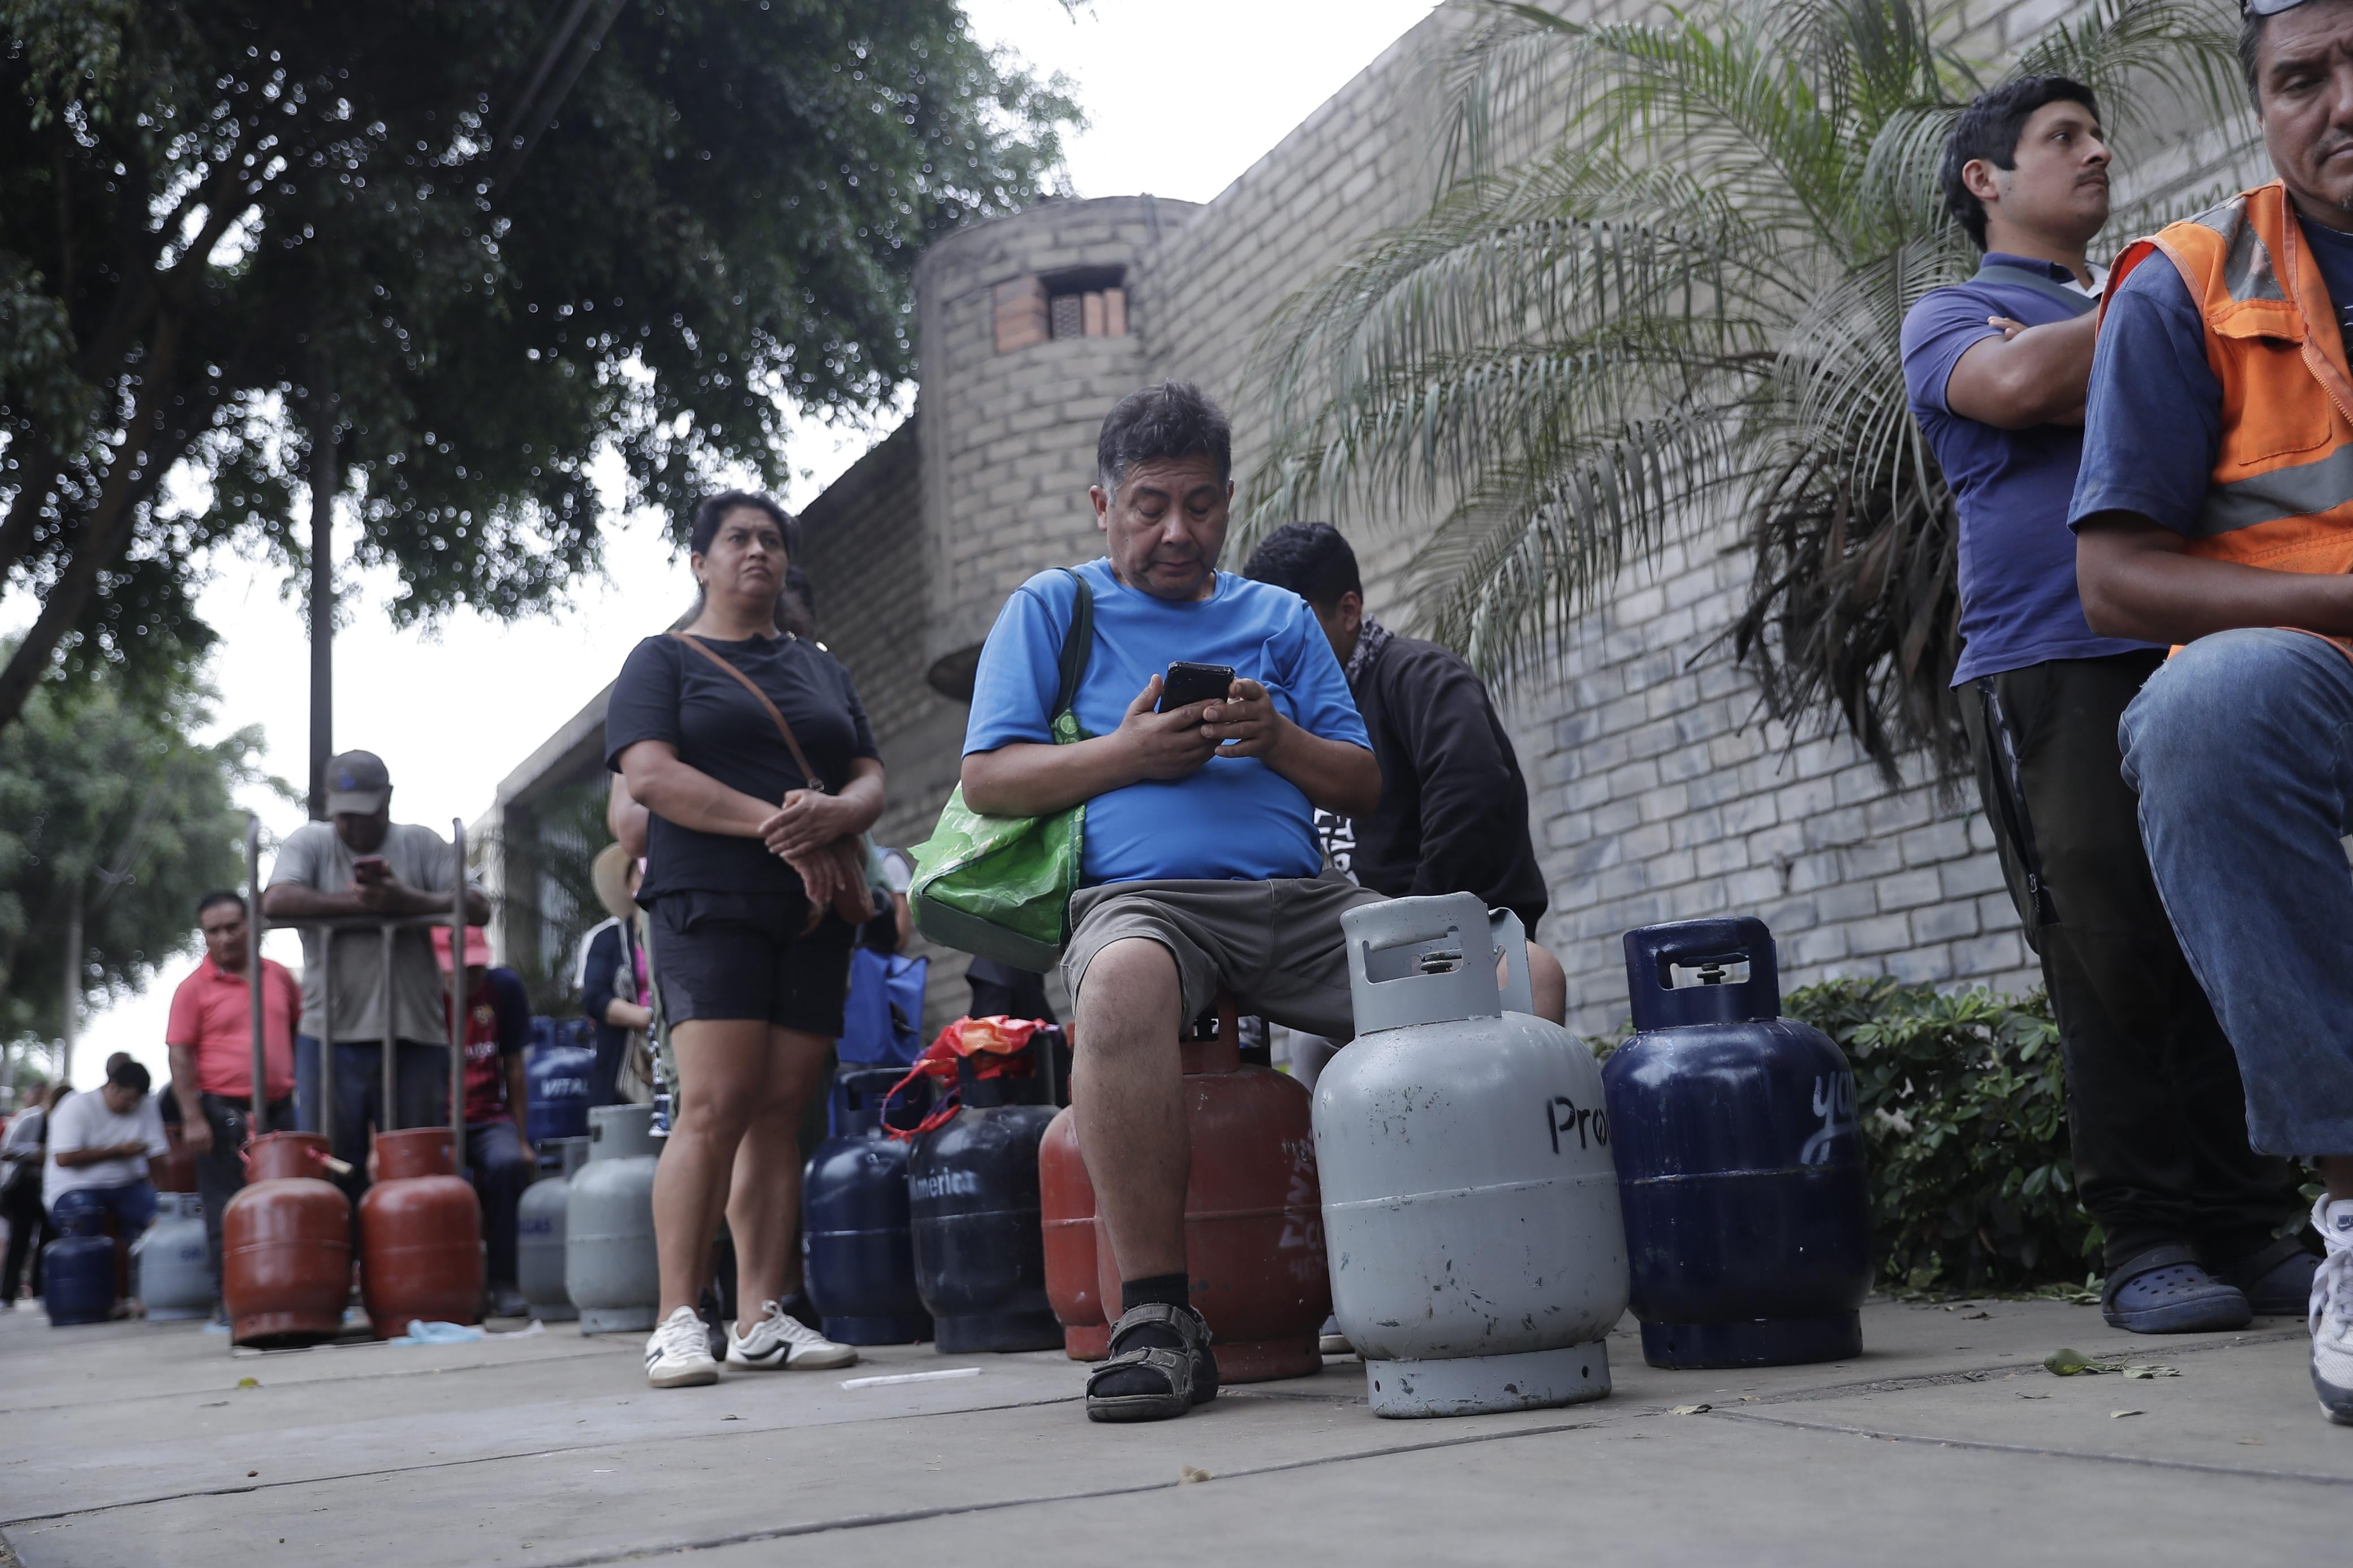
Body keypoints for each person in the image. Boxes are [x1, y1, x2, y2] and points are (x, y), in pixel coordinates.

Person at [962, 381, 1566, 1424]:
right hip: (1144, 904)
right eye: (1150, 505)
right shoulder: (1053, 608)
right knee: (1118, 987)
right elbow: (988, 778)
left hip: (1301, 904)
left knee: (1524, 974)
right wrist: (1129, 753)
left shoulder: (1279, 615)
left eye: (1200, 504)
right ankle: (1155, 1320)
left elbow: (1364, 781)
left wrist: (1278, 737)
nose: (1177, 531)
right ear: (1100, 503)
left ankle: (1494, 1266)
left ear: (1230, 501)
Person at [1899, 79, 2311, 1334]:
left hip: (2203, 644)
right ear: (1985, 180)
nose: (2096, 153)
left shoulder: (2133, 292)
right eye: (2060, 140)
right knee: (2107, 947)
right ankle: (2145, 1240)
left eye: (2094, 133)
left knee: (2225, 935)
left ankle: (2254, 1228)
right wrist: (2176, 292)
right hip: (2051, 664)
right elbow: (2018, 387)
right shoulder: (1954, 312)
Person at [2071, 0, 2353, 1423]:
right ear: (2263, 110)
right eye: (2302, 80)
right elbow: (2114, 580)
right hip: (2314, 664)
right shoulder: (2183, 284)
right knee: (2206, 716)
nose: (2339, 104)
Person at [608, 488, 876, 1386]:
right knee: (715, 1103)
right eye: (736, 539)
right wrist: (783, 825)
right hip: (710, 899)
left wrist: (840, 811)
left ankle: (763, 1315)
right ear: (699, 560)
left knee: (780, 1110)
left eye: (770, 539)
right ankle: (677, 1316)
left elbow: (868, 771)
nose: (757, 551)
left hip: (813, 907)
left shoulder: (820, 667)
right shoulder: (663, 660)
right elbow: (650, 780)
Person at [1242, 521, 1567, 1090]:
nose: (1282, 651)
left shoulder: (1417, 676)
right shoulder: (1284, 724)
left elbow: (1471, 790)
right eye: (1269, 635)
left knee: (1527, 993)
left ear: (1348, 611)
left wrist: (1415, 929)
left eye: (1299, 628)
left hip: (1460, 951)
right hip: (1347, 972)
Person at [261, 749, 490, 1196]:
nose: (353, 826)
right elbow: (276, 900)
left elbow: (478, 905)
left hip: (413, 1032)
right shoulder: (311, 842)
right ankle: (338, 1265)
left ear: (387, 800)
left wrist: (405, 901)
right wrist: (361, 905)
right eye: (343, 816)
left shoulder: (420, 843)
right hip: (329, 1032)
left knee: (415, 1172)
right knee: (329, 1169)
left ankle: (410, 1265)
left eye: (364, 814)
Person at [163, 890, 302, 1316]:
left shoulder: (278, 976)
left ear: (250, 927)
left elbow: (298, 1034)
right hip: (220, 1112)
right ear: (204, 935)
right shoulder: (192, 989)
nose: (224, 938)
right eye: (213, 931)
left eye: (232, 927)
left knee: (287, 1200)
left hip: (279, 1109)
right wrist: (192, 1116)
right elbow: (180, 1053)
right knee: (226, 1207)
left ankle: (289, 1290)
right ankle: (233, 1299)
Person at [432, 925, 535, 1319]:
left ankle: (504, 1281)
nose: (469, 976)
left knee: (508, 1164)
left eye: (476, 967)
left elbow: (515, 1068)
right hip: (440, 1120)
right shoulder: (422, 995)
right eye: (459, 968)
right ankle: (453, 1285)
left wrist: (522, 1137)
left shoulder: (503, 988)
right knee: (446, 1183)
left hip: (490, 1115)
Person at [45, 1059, 170, 1304]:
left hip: (128, 1186)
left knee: (164, 1218)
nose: (132, 1105)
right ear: (112, 1086)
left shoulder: (145, 1106)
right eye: (128, 1098)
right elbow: (64, 1157)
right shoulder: (76, 1106)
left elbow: (158, 1154)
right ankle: (94, 1300)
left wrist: (166, 1196)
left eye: (136, 1100)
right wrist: (117, 1151)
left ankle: (150, 1296)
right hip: (73, 1187)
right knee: (84, 1215)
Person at [576, 843, 653, 1107]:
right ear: (630, 884)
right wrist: (650, 1020)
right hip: (623, 1067)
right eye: (642, 873)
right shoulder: (606, 939)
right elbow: (596, 1000)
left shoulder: (681, 936)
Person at [2, 1082, 56, 1307]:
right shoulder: (29, 1119)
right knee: (19, 1240)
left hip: (51, 1187)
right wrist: (36, 1151)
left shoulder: (62, 1122)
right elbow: (6, 1151)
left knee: (48, 1239)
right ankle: (7, 1294)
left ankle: (41, 1291)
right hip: (24, 1186)